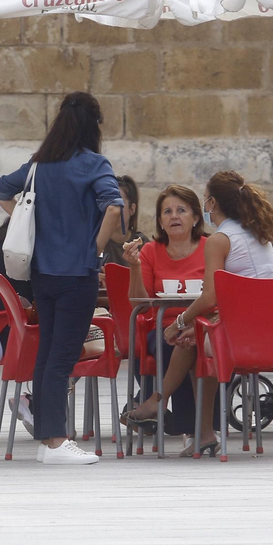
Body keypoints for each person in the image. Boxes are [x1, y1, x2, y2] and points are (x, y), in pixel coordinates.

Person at [0, 92, 125, 466]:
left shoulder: (39, 165)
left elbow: (0, 188)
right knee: (63, 357)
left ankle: (48, 437)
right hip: (76, 273)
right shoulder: (94, 164)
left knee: (48, 352)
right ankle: (56, 442)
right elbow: (113, 207)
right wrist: (95, 251)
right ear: (93, 126)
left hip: (41, 273)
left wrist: (29, 218)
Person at [145, 170, 273, 457]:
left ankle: (160, 402)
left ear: (210, 205)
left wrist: (179, 322)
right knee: (196, 335)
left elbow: (210, 297)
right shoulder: (258, 235)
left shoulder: (221, 240)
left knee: (191, 336)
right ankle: (203, 431)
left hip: (247, 338)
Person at [116, 185, 209, 438]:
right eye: (167, 212)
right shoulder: (151, 251)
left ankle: (163, 406)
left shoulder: (210, 247)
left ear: (196, 217)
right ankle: (189, 425)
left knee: (191, 339)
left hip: (203, 324)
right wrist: (134, 266)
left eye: (181, 210)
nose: (174, 216)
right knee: (172, 341)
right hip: (162, 326)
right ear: (160, 220)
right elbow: (140, 304)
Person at [101, 175, 141, 267]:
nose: (113, 210)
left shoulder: (141, 244)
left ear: (132, 209)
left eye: (119, 203)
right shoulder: (96, 242)